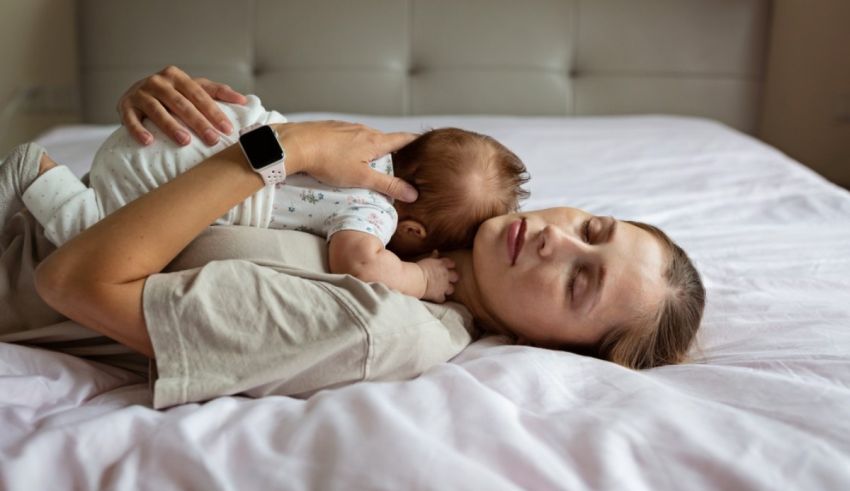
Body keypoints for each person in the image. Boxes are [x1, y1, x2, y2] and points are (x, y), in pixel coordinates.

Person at [0, 66, 704, 407]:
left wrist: (282, 149)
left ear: (548, 345)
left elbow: (72, 281)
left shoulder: (377, 322)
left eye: (580, 282)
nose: (560, 242)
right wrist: (168, 126)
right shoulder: (412, 215)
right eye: (592, 229)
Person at [22, 96, 528, 303]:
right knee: (91, 242)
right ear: (414, 231)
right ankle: (33, 174)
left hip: (177, 134)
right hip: (161, 176)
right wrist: (421, 278)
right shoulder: (377, 208)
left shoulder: (358, 142)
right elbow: (360, 263)